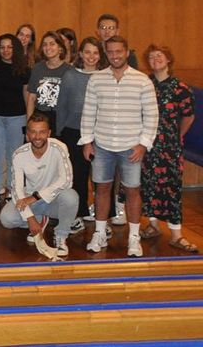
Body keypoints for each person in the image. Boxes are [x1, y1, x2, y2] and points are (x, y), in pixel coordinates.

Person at [81, 35, 158, 257]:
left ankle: (134, 238)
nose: (115, 56)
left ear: (127, 53)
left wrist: (143, 145)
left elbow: (152, 116)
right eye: (111, 52)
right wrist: (87, 141)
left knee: (133, 191)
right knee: (102, 189)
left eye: (119, 52)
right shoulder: (96, 79)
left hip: (131, 147)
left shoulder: (142, 80)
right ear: (106, 54)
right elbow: (89, 112)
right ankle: (99, 233)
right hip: (102, 145)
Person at [139, 44, 197, 252]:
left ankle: (176, 234)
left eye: (159, 56)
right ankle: (153, 225)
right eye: (152, 57)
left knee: (171, 187)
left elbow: (189, 116)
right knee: (149, 184)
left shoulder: (181, 88)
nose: (155, 60)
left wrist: (176, 136)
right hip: (147, 143)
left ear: (168, 60)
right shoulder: (144, 84)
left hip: (169, 145)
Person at [0, 112, 76, 259]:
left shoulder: (59, 148)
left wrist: (36, 197)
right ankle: (39, 218)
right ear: (27, 134)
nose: (37, 136)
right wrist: (30, 218)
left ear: (49, 133)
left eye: (42, 132)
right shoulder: (19, 154)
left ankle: (61, 237)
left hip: (52, 198)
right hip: (30, 199)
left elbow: (67, 180)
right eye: (33, 132)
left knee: (71, 197)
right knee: (6, 219)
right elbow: (17, 190)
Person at [53, 36, 105, 232]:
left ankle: (103, 219)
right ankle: (78, 214)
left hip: (101, 133)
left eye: (95, 52)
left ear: (100, 56)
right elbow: (62, 107)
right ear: (81, 54)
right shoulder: (70, 76)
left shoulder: (105, 76)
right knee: (77, 176)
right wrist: (59, 133)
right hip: (73, 132)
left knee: (102, 178)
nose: (91, 56)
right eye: (87, 52)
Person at [0, 33, 30, 199]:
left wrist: (28, 119)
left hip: (17, 118)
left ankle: (14, 189)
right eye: (2, 47)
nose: (5, 50)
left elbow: (27, 95)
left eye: (9, 47)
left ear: (15, 49)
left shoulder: (24, 69)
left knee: (15, 155)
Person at [26, 31, 73, 130]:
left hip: (60, 118)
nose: (48, 48)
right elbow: (31, 98)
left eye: (52, 44)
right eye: (45, 45)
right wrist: (29, 124)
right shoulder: (37, 68)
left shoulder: (69, 70)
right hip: (40, 117)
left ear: (60, 48)